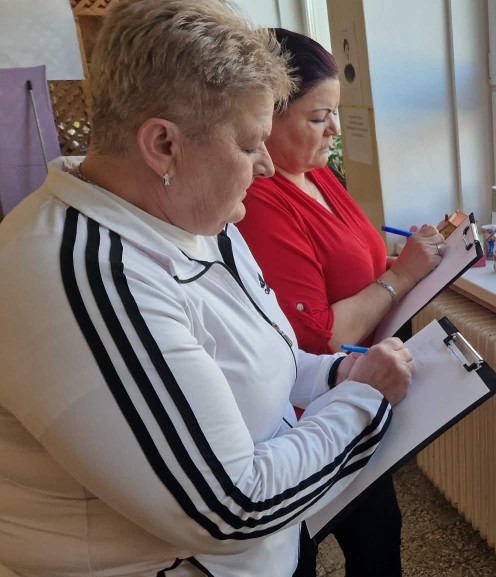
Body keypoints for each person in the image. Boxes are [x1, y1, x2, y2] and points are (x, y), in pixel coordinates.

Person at [0, 2, 414, 576]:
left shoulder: (196, 216)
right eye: (248, 145)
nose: (265, 166)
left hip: (271, 549)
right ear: (163, 146)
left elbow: (265, 354)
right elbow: (232, 509)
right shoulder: (83, 273)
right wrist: (367, 399)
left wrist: (338, 373)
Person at [236, 28, 445, 577]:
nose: (334, 129)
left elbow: (350, 264)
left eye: (335, 113)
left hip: (357, 391)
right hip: (316, 415)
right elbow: (319, 336)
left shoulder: (317, 174)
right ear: (265, 119)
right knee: (333, 541)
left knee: (379, 533)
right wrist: (403, 275)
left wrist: (407, 263)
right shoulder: (261, 202)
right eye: (317, 117)